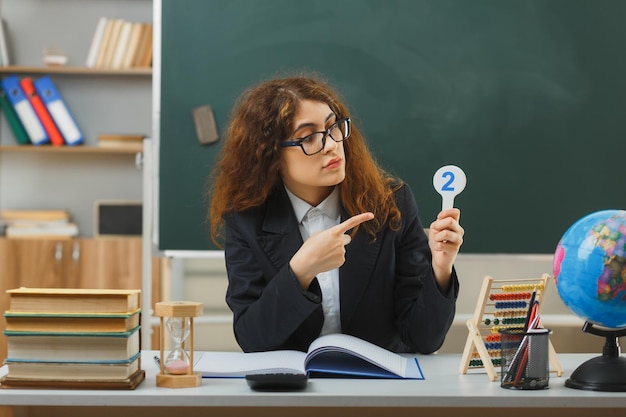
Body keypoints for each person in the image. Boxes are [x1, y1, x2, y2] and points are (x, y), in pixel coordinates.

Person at [208, 74, 464, 354]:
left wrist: (440, 268)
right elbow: (252, 340)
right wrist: (301, 271)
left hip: (381, 387)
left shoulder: (391, 202)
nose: (331, 144)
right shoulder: (247, 218)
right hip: (294, 390)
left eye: (333, 127)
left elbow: (423, 339)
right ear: (271, 156)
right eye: (307, 137)